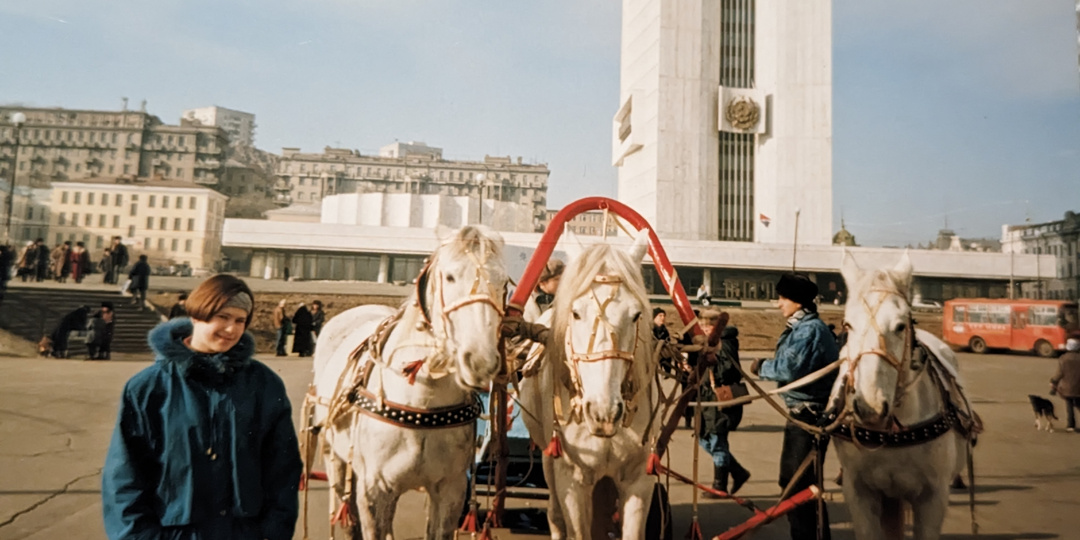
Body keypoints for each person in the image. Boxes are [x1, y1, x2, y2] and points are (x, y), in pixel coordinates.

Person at [101, 274, 302, 540]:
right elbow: (124, 477)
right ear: (197, 315)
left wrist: (273, 533)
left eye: (240, 320)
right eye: (223, 317)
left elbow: (283, 469)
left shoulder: (264, 385)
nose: (231, 329)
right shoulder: (148, 388)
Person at [750, 273, 838, 540]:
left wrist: (759, 366)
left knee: (797, 486)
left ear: (798, 301)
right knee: (798, 484)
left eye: (782, 298)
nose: (778, 304)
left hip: (810, 417)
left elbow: (787, 367)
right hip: (802, 415)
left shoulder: (810, 330)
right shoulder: (802, 327)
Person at [697, 322, 750, 497]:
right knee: (703, 439)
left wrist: (713, 362)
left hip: (720, 401)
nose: (704, 330)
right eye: (701, 326)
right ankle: (737, 471)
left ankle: (719, 486)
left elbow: (729, 370)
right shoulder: (710, 344)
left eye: (708, 326)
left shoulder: (725, 343)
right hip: (708, 401)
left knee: (717, 442)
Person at [1051, 337, 1080, 432]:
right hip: (1079, 387)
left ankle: (1071, 425)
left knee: (1069, 406)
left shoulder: (1063, 358)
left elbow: (1059, 373)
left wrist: (1053, 381)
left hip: (1067, 387)